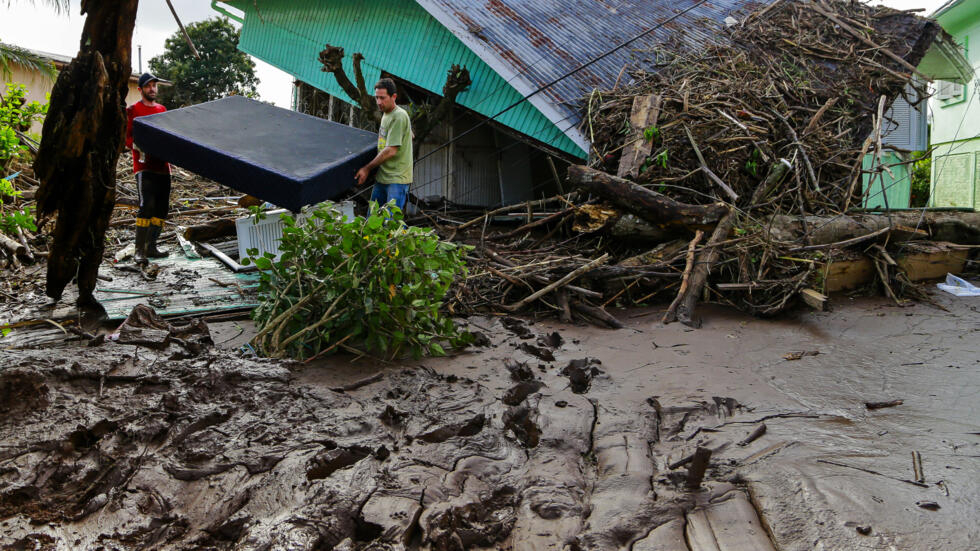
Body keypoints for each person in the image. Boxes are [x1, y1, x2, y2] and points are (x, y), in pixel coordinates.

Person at [125, 72, 171, 265]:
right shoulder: (133, 110)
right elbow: (127, 137)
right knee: (147, 206)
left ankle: (151, 246)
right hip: (144, 167)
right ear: (140, 89)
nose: (152, 89)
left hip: (163, 167)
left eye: (154, 86)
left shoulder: (163, 109)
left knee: (161, 209)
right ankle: (139, 251)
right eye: (148, 86)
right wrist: (136, 145)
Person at [355, 78, 413, 212]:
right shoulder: (387, 114)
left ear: (394, 97)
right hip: (383, 177)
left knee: (390, 224)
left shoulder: (398, 116)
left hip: (396, 180)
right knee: (372, 221)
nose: (379, 102)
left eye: (382, 98)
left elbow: (391, 151)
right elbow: (407, 133)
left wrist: (367, 168)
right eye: (377, 98)